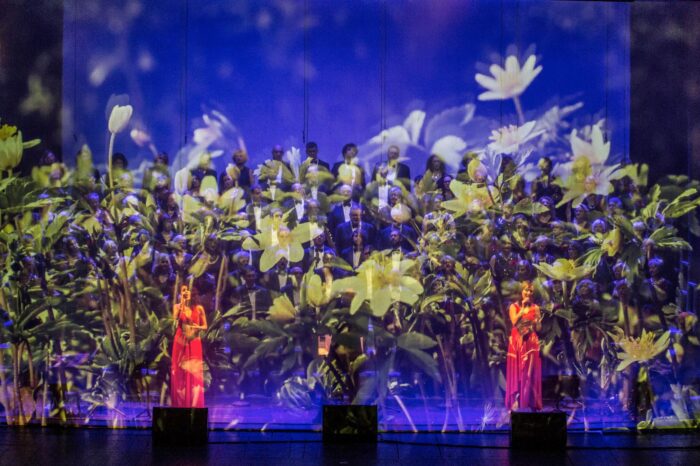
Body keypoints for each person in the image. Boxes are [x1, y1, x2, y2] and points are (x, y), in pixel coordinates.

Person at [505, 281, 542, 411]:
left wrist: (538, 322)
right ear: (521, 291)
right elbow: (514, 322)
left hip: (531, 342)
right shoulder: (513, 307)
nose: (528, 293)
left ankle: (528, 402)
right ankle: (515, 400)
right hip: (517, 342)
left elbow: (538, 328)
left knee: (529, 373)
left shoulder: (536, 308)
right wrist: (522, 308)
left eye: (531, 291)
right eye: (526, 290)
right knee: (517, 372)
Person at [171, 285, 207, 408]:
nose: (186, 293)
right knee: (180, 370)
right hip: (180, 341)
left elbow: (205, 326)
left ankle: (194, 404)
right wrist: (182, 303)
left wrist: (197, 327)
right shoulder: (177, 307)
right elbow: (175, 319)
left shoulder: (199, 308)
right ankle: (180, 404)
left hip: (194, 340)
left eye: (188, 291)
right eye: (183, 291)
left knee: (194, 371)